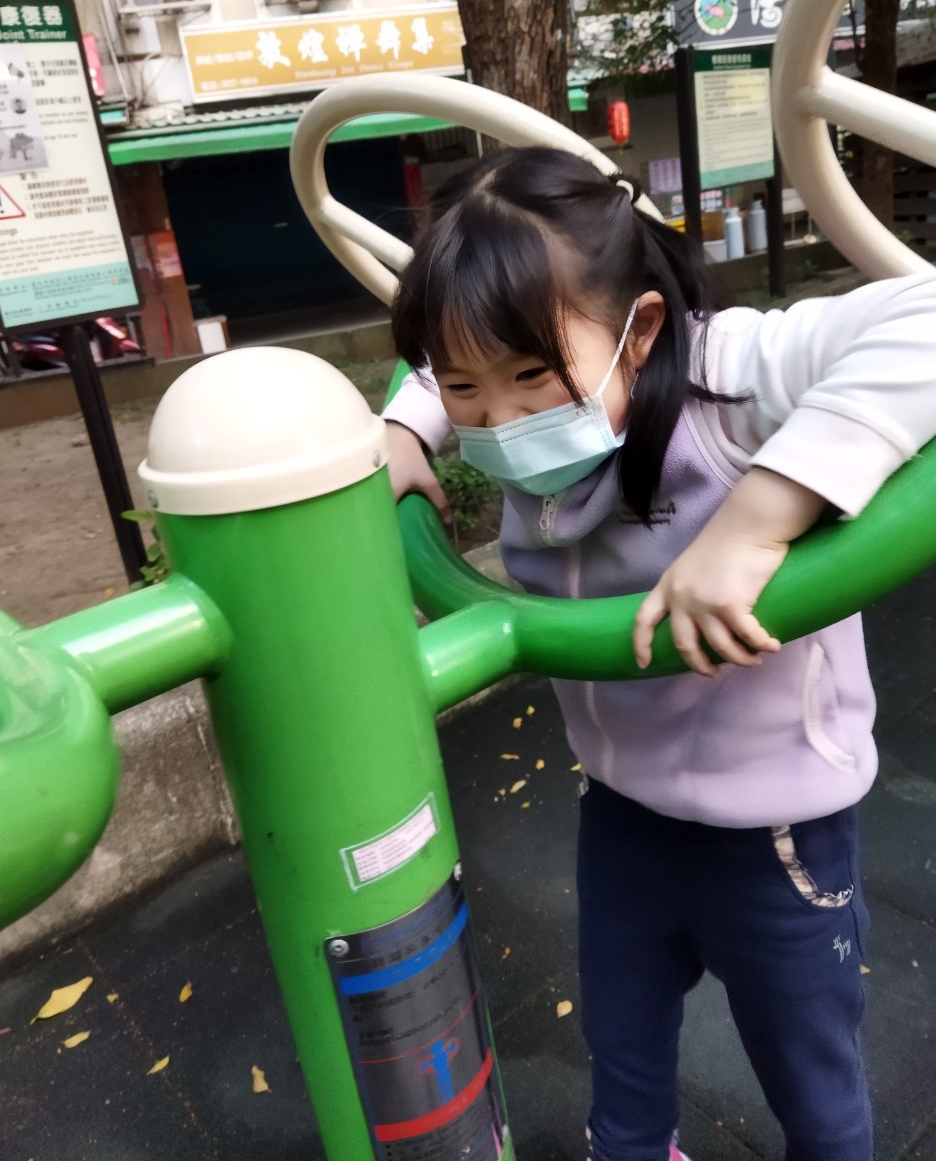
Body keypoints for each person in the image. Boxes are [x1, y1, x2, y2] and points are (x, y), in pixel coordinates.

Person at [381, 146, 936, 1161]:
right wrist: (407, 427)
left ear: (639, 331)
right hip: (621, 811)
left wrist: (758, 519)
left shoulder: (727, 375)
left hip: (776, 828)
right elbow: (444, 365)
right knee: (623, 1051)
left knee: (812, 1081)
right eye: (466, 388)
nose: (498, 419)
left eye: (530, 378)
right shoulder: (507, 386)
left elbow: (926, 315)